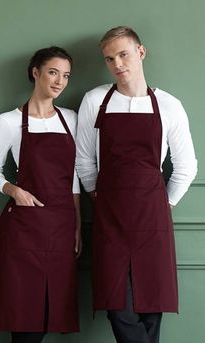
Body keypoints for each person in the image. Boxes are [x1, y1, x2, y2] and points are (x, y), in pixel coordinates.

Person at [76, 26, 197, 343]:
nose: (117, 64)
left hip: (152, 215)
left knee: (151, 302)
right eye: (109, 59)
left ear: (141, 52)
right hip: (110, 215)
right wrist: (98, 196)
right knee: (118, 303)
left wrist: (165, 203)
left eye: (123, 54)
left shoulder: (169, 105)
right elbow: (84, 159)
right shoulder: (95, 101)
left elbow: (186, 166)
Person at [0, 46, 81, 343]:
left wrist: (78, 226)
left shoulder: (71, 119)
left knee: (53, 307)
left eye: (65, 75)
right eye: (53, 72)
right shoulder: (9, 121)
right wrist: (14, 191)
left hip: (62, 226)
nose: (60, 82)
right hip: (24, 229)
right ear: (35, 72)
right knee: (25, 318)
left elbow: (74, 177)